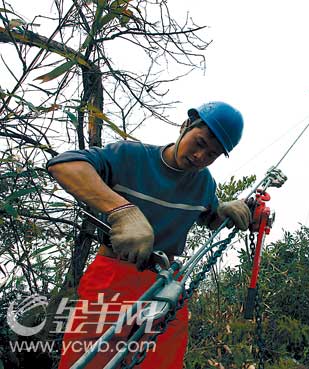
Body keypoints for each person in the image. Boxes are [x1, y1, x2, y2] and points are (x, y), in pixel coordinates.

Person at [47, 101, 251, 369]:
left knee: (161, 362)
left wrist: (225, 209)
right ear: (185, 126)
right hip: (111, 277)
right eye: (200, 143)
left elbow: (209, 217)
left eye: (212, 154)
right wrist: (122, 210)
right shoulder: (131, 156)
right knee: (89, 360)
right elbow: (65, 165)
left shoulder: (203, 183)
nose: (201, 157)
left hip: (165, 283)